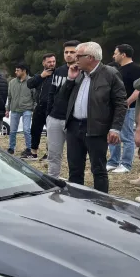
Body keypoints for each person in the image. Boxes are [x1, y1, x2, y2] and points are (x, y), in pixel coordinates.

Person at [64, 41, 127, 193]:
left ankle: (102, 204)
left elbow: (120, 103)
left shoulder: (110, 74)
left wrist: (115, 128)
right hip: (74, 127)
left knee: (98, 169)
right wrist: (70, 79)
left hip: (96, 128)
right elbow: (63, 99)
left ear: (90, 57)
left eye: (78, 55)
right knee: (74, 169)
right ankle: (76, 201)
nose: (74, 58)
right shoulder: (78, 74)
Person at [43, 41, 80, 177]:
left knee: (74, 157)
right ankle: (53, 179)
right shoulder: (58, 71)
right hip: (54, 117)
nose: (69, 55)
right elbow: (51, 93)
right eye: (66, 52)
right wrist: (48, 115)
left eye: (72, 52)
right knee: (53, 154)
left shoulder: (84, 73)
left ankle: (75, 183)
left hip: (73, 120)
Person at [106, 44, 140, 174]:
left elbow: (138, 89)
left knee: (126, 136)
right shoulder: (118, 70)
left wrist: (127, 103)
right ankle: (113, 161)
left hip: (128, 108)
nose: (113, 55)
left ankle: (126, 164)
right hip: (114, 108)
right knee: (113, 134)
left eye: (115, 53)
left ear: (123, 54)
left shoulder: (136, 69)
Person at [27, 53, 58, 160]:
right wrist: (41, 76)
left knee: (51, 132)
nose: (52, 64)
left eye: (53, 61)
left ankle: (49, 153)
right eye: (49, 62)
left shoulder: (58, 74)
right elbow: (29, 84)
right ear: (43, 62)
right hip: (39, 107)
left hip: (52, 108)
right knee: (35, 130)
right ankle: (33, 152)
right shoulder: (39, 75)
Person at [5, 63, 35, 157]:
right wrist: (7, 109)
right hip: (14, 109)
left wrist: (34, 109)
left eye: (18, 70)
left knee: (26, 130)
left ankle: (29, 148)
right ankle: (11, 148)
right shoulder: (12, 82)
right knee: (13, 130)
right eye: (15, 70)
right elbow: (9, 97)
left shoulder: (31, 81)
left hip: (27, 109)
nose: (15, 72)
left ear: (24, 71)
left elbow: (35, 97)